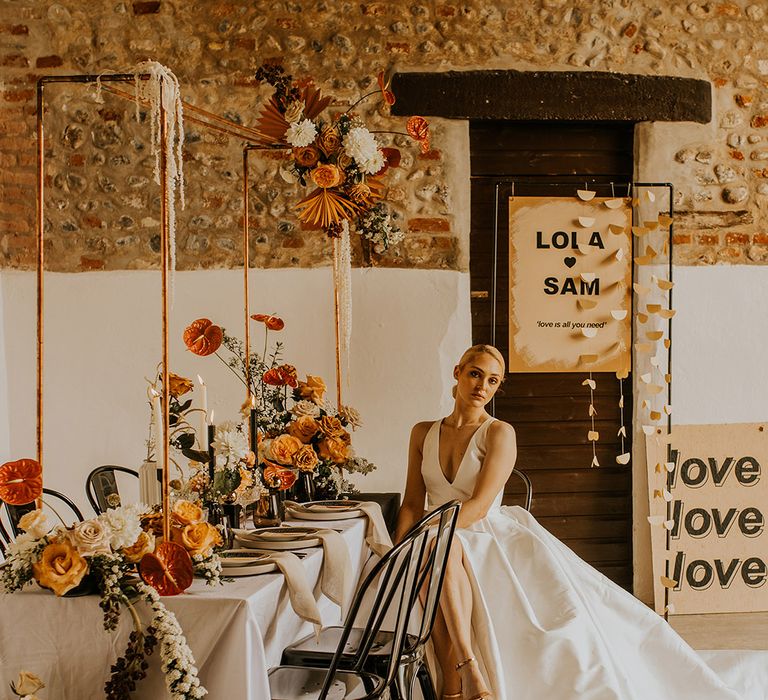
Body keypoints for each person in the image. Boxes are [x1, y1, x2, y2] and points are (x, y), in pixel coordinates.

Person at [395, 344, 744, 700]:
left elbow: (481, 505)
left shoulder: (500, 433)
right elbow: (410, 503)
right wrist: (399, 548)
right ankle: (461, 678)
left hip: (479, 531)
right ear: (457, 372)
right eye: (475, 374)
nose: (482, 386)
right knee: (431, 553)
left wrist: (432, 531)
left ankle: (460, 675)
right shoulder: (422, 433)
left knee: (440, 548)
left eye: (493, 380)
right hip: (434, 534)